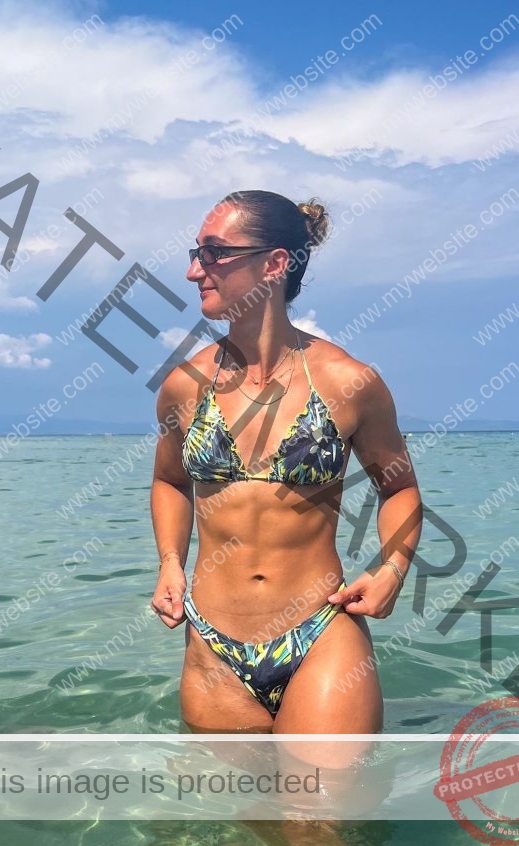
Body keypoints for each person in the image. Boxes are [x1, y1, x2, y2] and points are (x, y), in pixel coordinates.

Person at [150, 189, 422, 734]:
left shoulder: (349, 382)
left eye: (212, 253)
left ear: (273, 263)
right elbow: (169, 481)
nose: (193, 271)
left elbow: (400, 490)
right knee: (232, 819)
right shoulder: (185, 385)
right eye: (195, 253)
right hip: (212, 643)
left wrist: (393, 568)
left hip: (320, 632)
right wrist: (170, 561)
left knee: (320, 818)